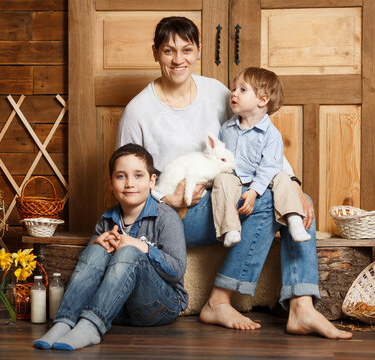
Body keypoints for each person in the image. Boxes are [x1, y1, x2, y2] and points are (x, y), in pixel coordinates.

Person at [116, 16, 352, 339]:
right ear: (155, 52)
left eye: (186, 49)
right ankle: (219, 299)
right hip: (173, 214)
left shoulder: (216, 93)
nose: (178, 59)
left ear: (198, 50)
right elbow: (123, 184)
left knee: (300, 202)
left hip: (224, 197)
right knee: (270, 203)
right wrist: (165, 200)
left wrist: (294, 184)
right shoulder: (138, 111)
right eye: (168, 51)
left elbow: (254, 136)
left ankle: (302, 306)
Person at [34, 144, 188, 351]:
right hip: (117, 309)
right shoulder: (107, 219)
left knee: (129, 251)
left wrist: (139, 245)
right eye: (121, 176)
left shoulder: (166, 217)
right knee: (97, 248)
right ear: (111, 183)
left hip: (158, 306)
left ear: (152, 181)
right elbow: (90, 270)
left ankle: (91, 327)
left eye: (138, 175)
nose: (130, 183)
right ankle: (64, 322)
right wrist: (96, 243)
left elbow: (177, 271)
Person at [212, 67, 311, 248]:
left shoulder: (271, 134)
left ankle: (294, 220)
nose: (234, 93)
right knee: (221, 179)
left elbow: (270, 166)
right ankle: (231, 229)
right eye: (234, 89)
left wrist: (254, 191)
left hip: (264, 179)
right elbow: (219, 155)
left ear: (262, 100)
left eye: (242, 90)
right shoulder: (226, 128)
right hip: (236, 179)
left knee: (282, 177)